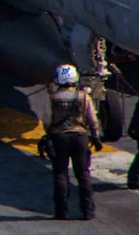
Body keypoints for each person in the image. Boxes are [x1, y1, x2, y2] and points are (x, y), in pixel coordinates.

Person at [44, 64, 103, 220]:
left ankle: (61, 211)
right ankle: (88, 211)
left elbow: (46, 120)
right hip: (79, 137)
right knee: (83, 174)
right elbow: (92, 119)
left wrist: (50, 133)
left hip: (59, 138)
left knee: (60, 173)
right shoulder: (83, 97)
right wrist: (96, 137)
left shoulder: (52, 97)